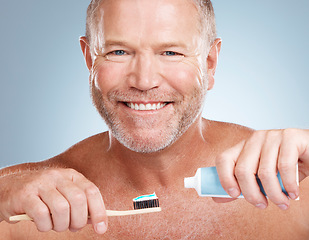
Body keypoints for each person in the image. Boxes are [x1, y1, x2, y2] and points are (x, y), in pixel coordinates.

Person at [0, 0, 309, 239]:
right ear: (89, 59)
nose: (144, 81)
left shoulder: (297, 180)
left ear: (210, 63)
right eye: (119, 51)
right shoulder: (19, 212)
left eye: (171, 53)